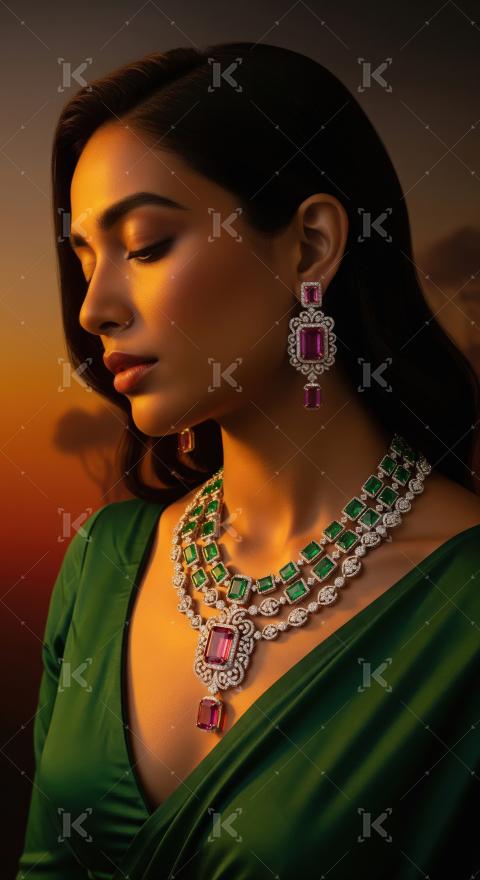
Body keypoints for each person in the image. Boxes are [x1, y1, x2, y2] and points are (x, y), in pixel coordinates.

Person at [16, 42, 480, 879]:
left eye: (147, 244)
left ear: (307, 248)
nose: (94, 308)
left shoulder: (465, 607)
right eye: (85, 257)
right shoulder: (102, 563)